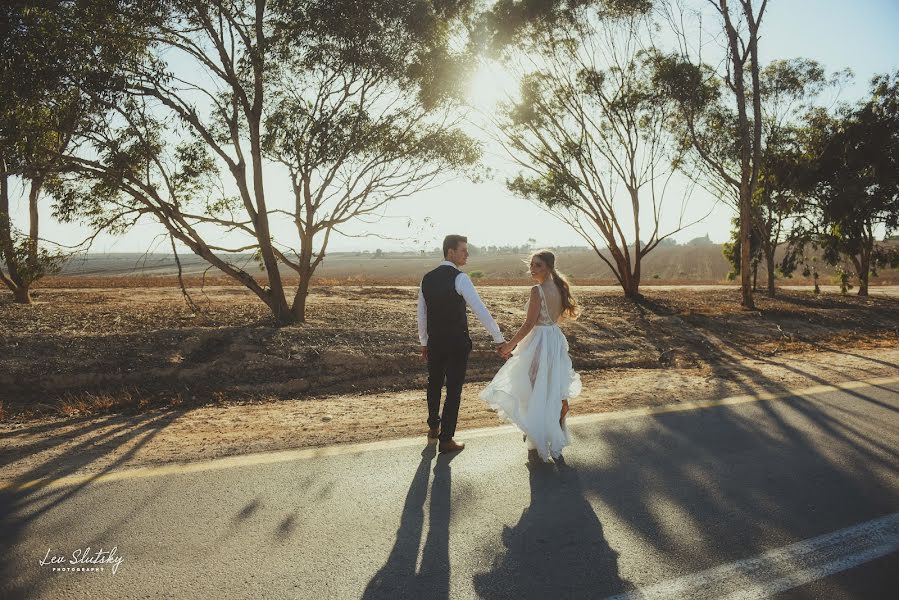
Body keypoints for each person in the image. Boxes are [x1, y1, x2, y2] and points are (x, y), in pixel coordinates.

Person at [480, 249, 581, 463]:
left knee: (535, 385)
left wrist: (509, 345)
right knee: (549, 385)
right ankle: (550, 428)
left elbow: (529, 323)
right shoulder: (560, 287)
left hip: (540, 342)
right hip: (554, 338)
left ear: (549, 267)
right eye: (532, 265)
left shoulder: (538, 290)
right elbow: (556, 318)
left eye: (538, 265)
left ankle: (538, 431)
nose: (533, 269)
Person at [417, 234, 506, 453]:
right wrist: (498, 338)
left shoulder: (426, 278)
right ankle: (446, 440)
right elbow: (480, 310)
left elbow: (422, 314)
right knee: (453, 389)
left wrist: (424, 342)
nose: (467, 254)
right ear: (450, 252)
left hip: (435, 341)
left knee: (434, 383)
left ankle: (433, 428)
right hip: (456, 342)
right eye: (463, 250)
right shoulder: (460, 278)